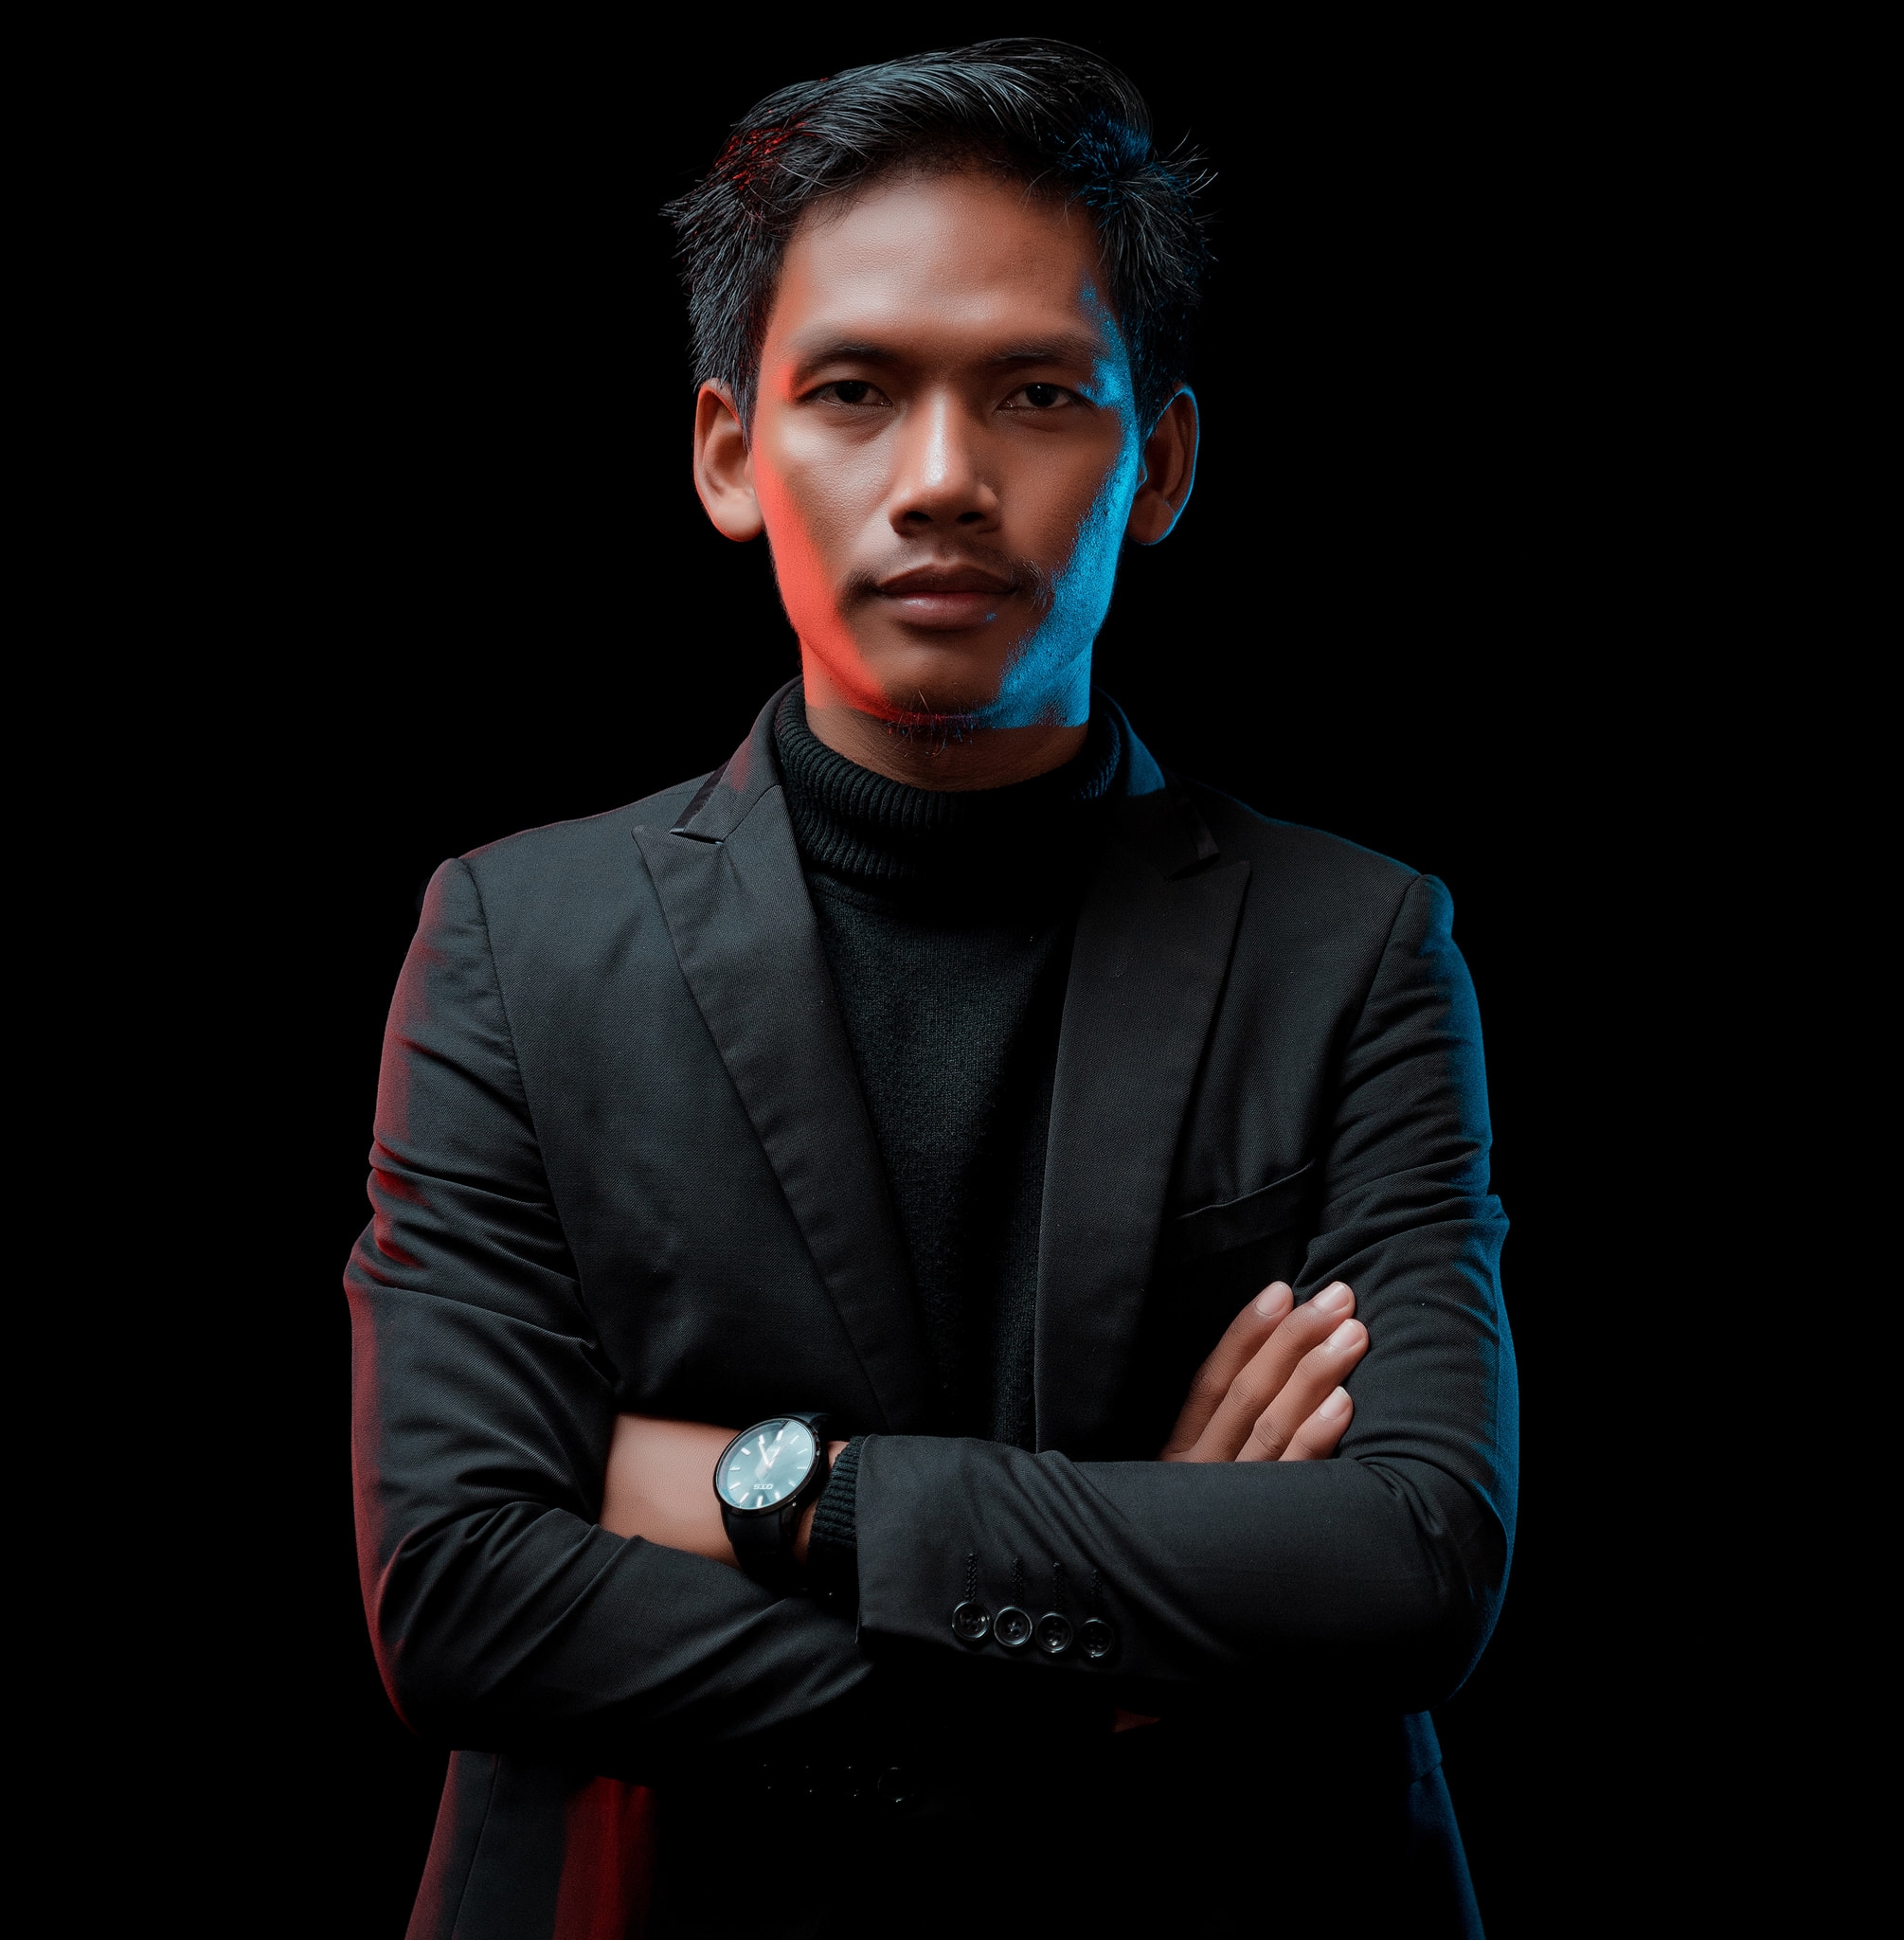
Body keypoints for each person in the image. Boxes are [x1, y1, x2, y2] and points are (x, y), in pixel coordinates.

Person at [350, 40, 1516, 1940]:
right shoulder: (511, 936)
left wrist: (775, 1496)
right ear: (731, 452)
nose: (945, 479)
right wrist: (1113, 1650)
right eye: (856, 393)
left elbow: (1413, 1562)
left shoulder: (1356, 944)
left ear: (1160, 462)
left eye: (1037, 394)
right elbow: (463, 1595)